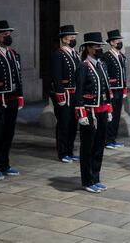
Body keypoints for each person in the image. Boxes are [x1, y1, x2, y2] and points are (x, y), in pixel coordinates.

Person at [75, 32, 113, 193]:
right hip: (90, 112)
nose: (99, 49)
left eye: (100, 46)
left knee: (99, 146)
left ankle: (96, 177)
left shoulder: (101, 65)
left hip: (103, 110)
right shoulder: (83, 66)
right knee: (88, 147)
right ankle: (87, 180)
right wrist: (81, 114)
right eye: (97, 46)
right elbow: (79, 92)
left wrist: (109, 108)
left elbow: (107, 88)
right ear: (89, 48)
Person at [0, 20, 23, 180]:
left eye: (9, 34)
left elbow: (19, 78)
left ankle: (5, 164)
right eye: (5, 35)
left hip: (12, 99)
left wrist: (20, 96)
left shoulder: (13, 54)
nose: (8, 37)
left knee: (8, 133)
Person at [51, 25, 81, 163]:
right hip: (65, 94)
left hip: (75, 94)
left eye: (74, 37)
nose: (73, 39)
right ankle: (62, 152)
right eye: (71, 37)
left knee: (73, 124)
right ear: (63, 39)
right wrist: (60, 94)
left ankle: (70, 150)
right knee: (64, 124)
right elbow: (56, 76)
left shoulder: (75, 53)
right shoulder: (59, 54)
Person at [102, 30, 127, 149]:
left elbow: (123, 73)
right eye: (118, 41)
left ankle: (113, 138)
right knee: (110, 115)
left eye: (120, 40)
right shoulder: (107, 56)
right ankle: (107, 139)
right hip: (112, 89)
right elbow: (106, 74)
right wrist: (109, 90)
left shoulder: (121, 56)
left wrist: (125, 88)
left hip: (120, 89)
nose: (119, 42)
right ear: (112, 43)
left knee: (116, 115)